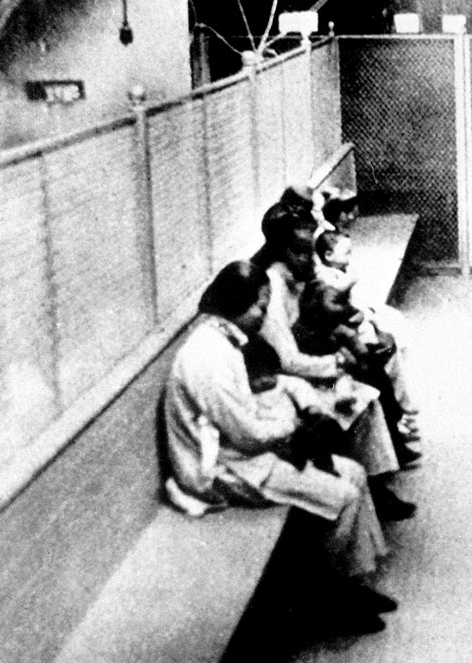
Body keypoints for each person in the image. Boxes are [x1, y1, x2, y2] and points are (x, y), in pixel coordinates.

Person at [163, 261, 396, 634]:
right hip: (221, 471)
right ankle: (328, 602)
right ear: (234, 304)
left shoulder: (222, 340)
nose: (263, 316)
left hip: (240, 454)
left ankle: (352, 583)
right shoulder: (209, 357)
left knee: (353, 471)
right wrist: (294, 426)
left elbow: (246, 421)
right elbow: (248, 434)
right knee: (344, 494)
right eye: (259, 307)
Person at [251, 201, 416, 520]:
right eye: (302, 252)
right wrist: (337, 365)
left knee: (369, 382)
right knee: (360, 396)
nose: (309, 259)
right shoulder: (272, 289)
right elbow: (286, 361)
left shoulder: (295, 277)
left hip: (304, 368)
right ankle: (373, 487)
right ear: (282, 250)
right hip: (281, 386)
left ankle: (377, 481)